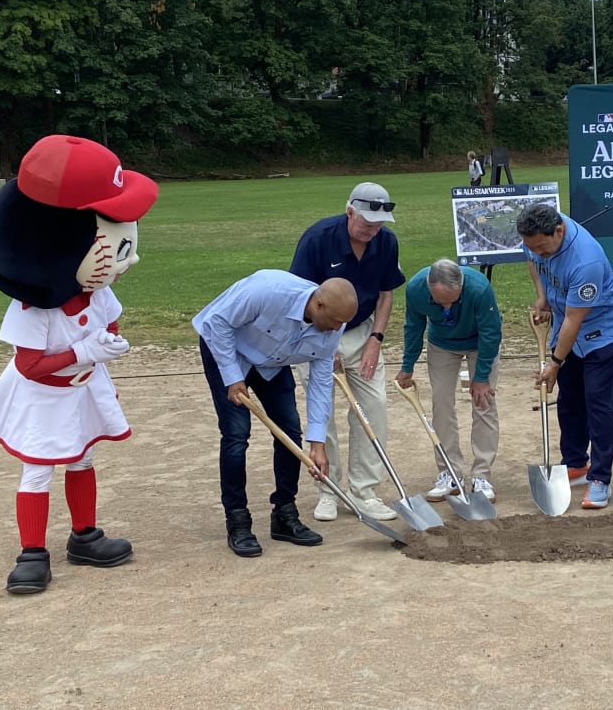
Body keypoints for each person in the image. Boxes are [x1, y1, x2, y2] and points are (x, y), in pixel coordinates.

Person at [0, 134, 159, 594]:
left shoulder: (98, 291)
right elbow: (30, 366)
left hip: (83, 388)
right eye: (113, 250)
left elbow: (109, 322)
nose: (127, 259)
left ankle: (84, 536)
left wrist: (108, 344)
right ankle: (32, 552)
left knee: (83, 458)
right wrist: (86, 351)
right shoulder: (32, 310)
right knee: (38, 468)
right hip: (43, 398)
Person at [192, 271, 357, 558]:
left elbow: (320, 380)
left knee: (290, 431)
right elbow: (216, 322)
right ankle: (238, 520)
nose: (336, 329)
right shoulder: (267, 290)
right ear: (318, 306)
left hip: (272, 362)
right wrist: (232, 377)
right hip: (227, 350)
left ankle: (284, 513)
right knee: (236, 435)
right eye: (334, 322)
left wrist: (317, 443)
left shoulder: (334, 322)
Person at [290, 182, 407, 522]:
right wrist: (323, 347)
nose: (372, 230)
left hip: (362, 333)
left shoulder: (385, 241)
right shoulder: (317, 238)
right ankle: (329, 490)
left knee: (374, 407)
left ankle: (364, 491)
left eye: (379, 223)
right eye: (367, 222)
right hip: (316, 334)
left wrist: (376, 339)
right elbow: (300, 299)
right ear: (349, 211)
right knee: (321, 415)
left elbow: (386, 294)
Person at [519, 203, 613, 510]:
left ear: (559, 231)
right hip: (566, 323)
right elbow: (532, 259)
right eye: (531, 246)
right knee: (569, 401)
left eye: (542, 246)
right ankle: (576, 464)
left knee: (599, 404)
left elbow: (574, 320)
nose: (537, 252)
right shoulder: (536, 238)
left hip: (599, 331)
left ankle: (600, 478)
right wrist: (542, 296)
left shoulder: (585, 261)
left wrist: (554, 363)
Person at [396, 259, 503, 502]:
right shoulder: (415, 289)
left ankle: (481, 475)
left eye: (452, 300)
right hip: (442, 345)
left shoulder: (479, 288)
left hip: (480, 344)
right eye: (439, 301)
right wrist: (407, 366)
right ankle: (449, 472)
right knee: (441, 405)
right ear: (428, 286)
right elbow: (413, 327)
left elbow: (491, 332)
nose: (446, 306)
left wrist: (482, 377)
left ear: (462, 286)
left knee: (484, 404)